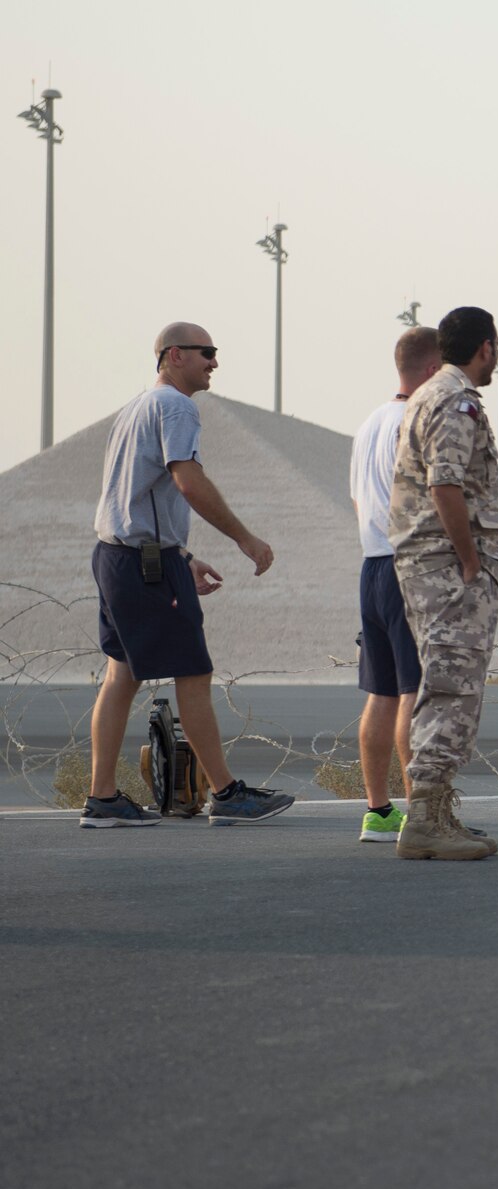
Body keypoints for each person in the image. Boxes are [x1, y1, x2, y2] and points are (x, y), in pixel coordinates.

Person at [79, 323, 294, 829]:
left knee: (121, 675)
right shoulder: (176, 406)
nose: (214, 362)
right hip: (145, 564)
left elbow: (133, 494)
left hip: (118, 556)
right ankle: (226, 793)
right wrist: (244, 537)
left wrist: (182, 553)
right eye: (207, 353)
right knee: (193, 674)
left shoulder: (135, 407)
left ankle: (103, 798)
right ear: (174, 355)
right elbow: (187, 480)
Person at [386, 306, 498, 861]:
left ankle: (437, 811)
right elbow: (445, 484)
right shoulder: (455, 399)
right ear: (485, 347)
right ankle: (424, 819)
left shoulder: (432, 393)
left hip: (433, 564)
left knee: (454, 682)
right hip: (446, 567)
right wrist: (469, 560)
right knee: (450, 685)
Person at [347, 326, 441, 843]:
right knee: (414, 690)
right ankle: (422, 815)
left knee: (382, 692)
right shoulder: (419, 419)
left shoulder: (368, 425)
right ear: (432, 370)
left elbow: (360, 502)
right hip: (411, 564)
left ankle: (380, 812)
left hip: (373, 564)